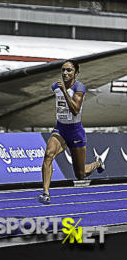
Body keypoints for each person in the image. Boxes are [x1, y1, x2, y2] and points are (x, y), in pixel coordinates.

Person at [38, 60, 104, 204]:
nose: (65, 73)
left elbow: (75, 110)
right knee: (48, 154)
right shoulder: (55, 86)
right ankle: (46, 193)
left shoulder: (79, 87)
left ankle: (97, 163)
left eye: (69, 70)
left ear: (76, 73)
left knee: (80, 174)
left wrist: (64, 92)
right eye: (63, 70)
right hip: (60, 129)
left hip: (75, 132)